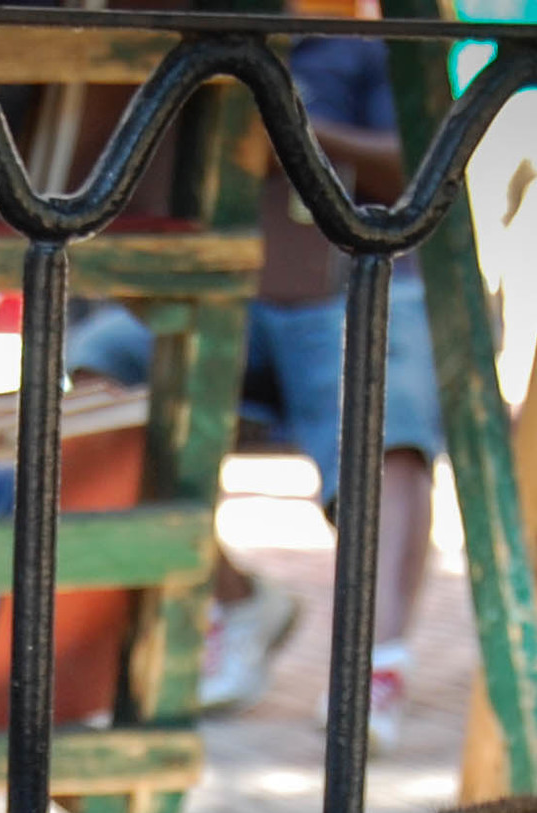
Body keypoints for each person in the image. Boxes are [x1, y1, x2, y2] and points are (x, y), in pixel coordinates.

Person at [65, 13, 446, 755]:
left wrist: (295, 141)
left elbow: (426, 171)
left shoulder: (374, 44)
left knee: (388, 399)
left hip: (351, 284)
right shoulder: (181, 37)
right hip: (220, 289)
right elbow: (89, 182)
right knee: (95, 369)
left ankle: (374, 662)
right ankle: (234, 599)